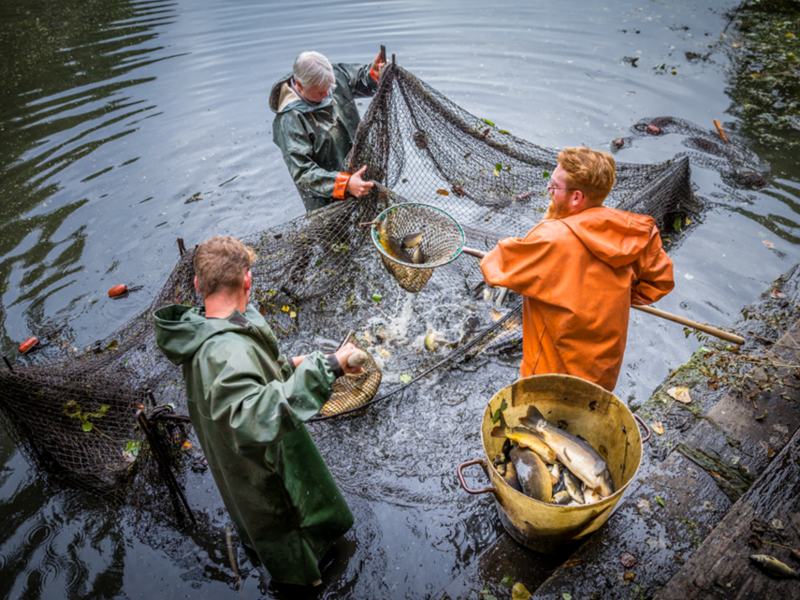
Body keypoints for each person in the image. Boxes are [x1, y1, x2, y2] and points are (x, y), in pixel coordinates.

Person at [153, 236, 363, 586]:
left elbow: (256, 377)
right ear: (247, 280)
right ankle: (306, 582)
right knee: (291, 540)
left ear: (197, 284)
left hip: (233, 465)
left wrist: (310, 363)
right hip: (261, 473)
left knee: (260, 524)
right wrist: (327, 370)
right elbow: (253, 419)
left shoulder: (205, 327)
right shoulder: (224, 352)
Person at [480, 147, 675, 392]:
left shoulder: (551, 236)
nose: (549, 190)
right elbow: (660, 283)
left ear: (576, 198)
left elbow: (495, 268)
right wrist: (615, 296)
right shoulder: (637, 232)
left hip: (550, 375)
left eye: (554, 186)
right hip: (602, 375)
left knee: (534, 424)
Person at [269, 50, 386, 211]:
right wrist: (345, 184)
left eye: (329, 88)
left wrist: (374, 74)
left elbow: (360, 79)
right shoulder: (290, 120)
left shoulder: (333, 76)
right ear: (300, 85)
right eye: (319, 93)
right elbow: (302, 172)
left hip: (360, 175)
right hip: (326, 200)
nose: (327, 95)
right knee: (334, 233)